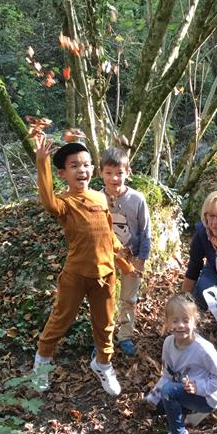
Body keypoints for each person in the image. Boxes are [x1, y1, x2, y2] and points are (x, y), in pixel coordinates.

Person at [32, 134, 130, 396]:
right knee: (60, 320)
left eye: (86, 164)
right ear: (63, 173)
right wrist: (42, 162)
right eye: (74, 166)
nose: (82, 170)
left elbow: (107, 231)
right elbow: (47, 200)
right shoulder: (64, 203)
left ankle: (103, 363)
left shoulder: (99, 198)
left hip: (106, 274)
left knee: (105, 324)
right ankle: (42, 362)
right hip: (76, 274)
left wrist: (120, 251)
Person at [144, 294, 217, 434]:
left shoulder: (203, 349)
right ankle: (183, 410)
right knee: (158, 407)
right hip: (181, 389)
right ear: (168, 322)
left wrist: (198, 386)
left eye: (185, 320)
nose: (180, 325)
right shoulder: (168, 343)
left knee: (169, 392)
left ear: (194, 321)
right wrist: (152, 398)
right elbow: (168, 374)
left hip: (206, 398)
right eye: (175, 321)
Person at [99, 147, 151, 357]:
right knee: (104, 297)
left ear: (128, 172)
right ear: (100, 173)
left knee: (129, 298)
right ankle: (104, 336)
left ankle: (126, 335)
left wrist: (141, 260)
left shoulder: (137, 199)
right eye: (109, 173)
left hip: (131, 255)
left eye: (119, 173)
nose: (114, 178)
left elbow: (146, 231)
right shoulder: (96, 198)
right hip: (105, 257)